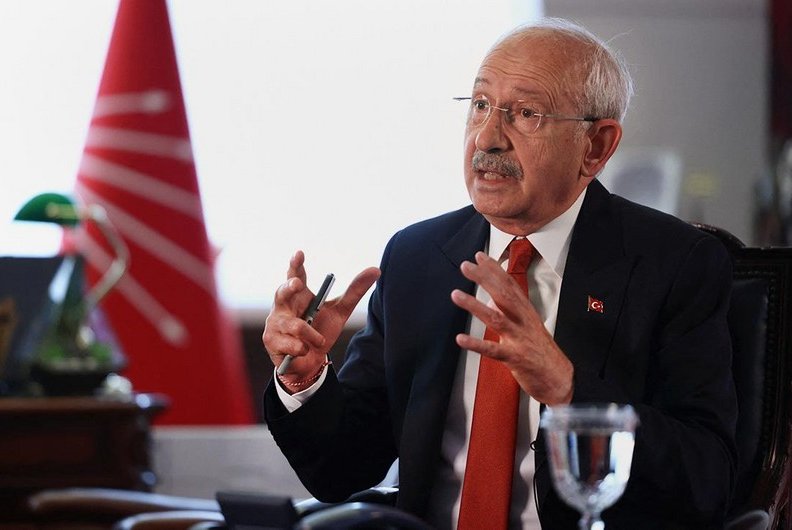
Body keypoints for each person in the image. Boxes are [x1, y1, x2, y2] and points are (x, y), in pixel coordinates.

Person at [262, 17, 737, 530]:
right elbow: (343, 469)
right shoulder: (418, 257)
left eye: (526, 114)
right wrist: (305, 378)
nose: (487, 138)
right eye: (480, 105)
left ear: (596, 146)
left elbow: (706, 481)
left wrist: (568, 389)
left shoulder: (674, 264)